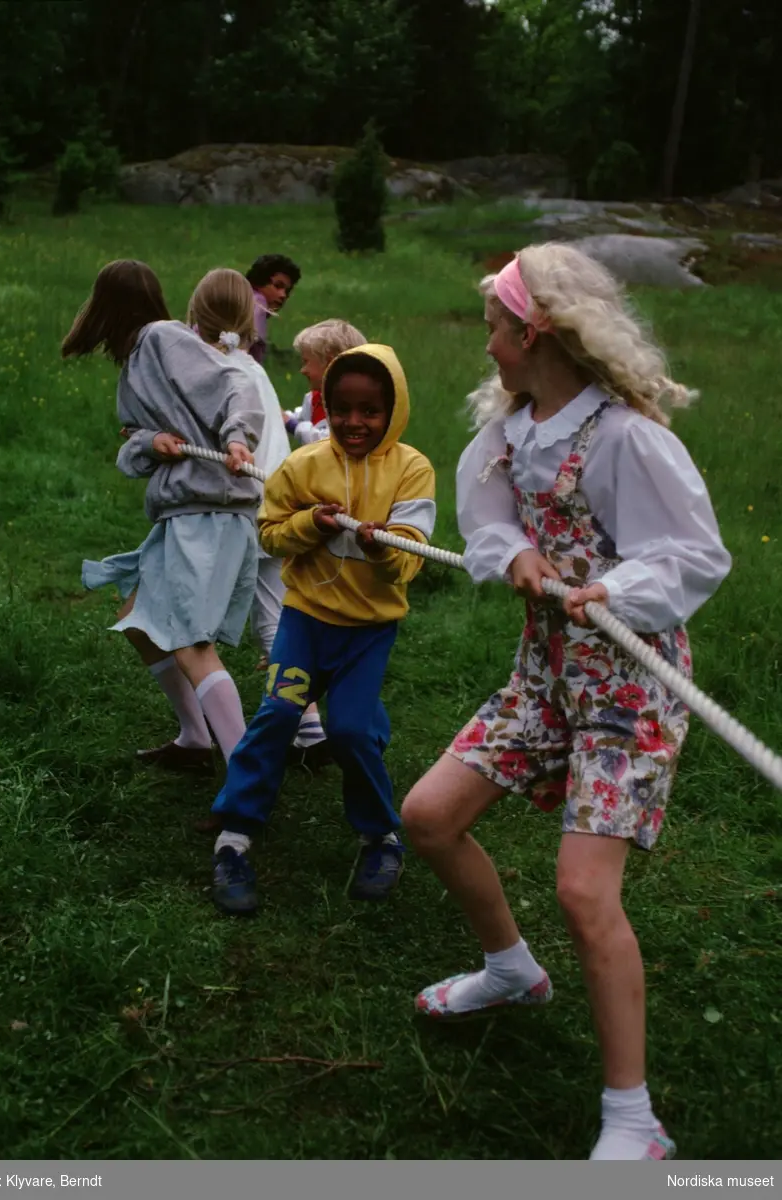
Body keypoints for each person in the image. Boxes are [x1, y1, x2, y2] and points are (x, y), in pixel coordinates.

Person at [400, 244, 732, 1161]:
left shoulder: (623, 436)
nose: (489, 346)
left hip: (628, 688)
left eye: (496, 330)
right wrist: (515, 555)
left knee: (585, 892)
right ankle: (513, 971)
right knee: (428, 817)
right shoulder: (513, 429)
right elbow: (491, 513)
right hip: (545, 676)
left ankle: (634, 1120)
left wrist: (612, 592)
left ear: (535, 331)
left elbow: (692, 555)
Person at [209, 345, 436, 916]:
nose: (355, 422)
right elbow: (269, 534)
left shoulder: (412, 469)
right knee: (281, 713)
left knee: (352, 732)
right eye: (342, 409)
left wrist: (381, 548)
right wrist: (310, 523)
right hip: (305, 622)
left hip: (368, 633)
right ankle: (234, 836)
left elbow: (412, 560)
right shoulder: (303, 465)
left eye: (371, 411)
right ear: (325, 407)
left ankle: (380, 838)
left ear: (393, 411)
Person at [67, 260, 264, 774]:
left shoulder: (161, 338)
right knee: (140, 624)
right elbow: (135, 446)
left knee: (190, 644)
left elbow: (237, 384)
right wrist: (150, 442)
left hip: (210, 512)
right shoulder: (137, 358)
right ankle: (195, 738)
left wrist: (238, 437)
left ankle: (248, 777)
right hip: (184, 513)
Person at [188, 267, 329, 769]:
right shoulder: (253, 367)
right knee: (274, 620)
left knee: (192, 619)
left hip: (239, 506)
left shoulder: (212, 372)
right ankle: (309, 727)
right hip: (277, 500)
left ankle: (214, 734)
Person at [284, 319, 367, 446]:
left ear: (330, 364)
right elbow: (299, 416)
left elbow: (326, 443)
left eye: (306, 362)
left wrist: (291, 425)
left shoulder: (352, 408)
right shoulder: (315, 398)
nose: (303, 370)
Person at [245, 254, 301, 366]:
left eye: (287, 291)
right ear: (258, 282)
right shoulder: (258, 303)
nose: (283, 295)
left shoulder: (239, 299)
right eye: (278, 286)